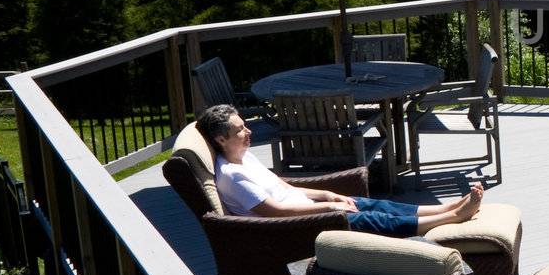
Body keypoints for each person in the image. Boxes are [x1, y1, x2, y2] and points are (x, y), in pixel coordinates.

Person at [195, 104, 480, 237]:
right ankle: (453, 217)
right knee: (375, 219)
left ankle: (450, 207)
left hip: (313, 211)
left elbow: (284, 187)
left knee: (374, 204)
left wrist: (327, 194)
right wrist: (330, 209)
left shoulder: (244, 158)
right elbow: (276, 213)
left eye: (245, 125)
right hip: (300, 228)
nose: (248, 131)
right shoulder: (232, 176)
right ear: (220, 139)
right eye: (239, 129)